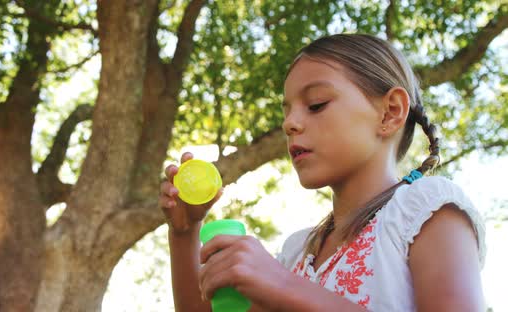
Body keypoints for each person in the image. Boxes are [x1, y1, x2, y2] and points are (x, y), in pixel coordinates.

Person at [159, 34, 486, 311]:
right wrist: (185, 234)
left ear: (390, 112)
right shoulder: (297, 253)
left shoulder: (424, 212)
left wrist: (282, 284)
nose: (290, 124)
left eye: (315, 104)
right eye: (286, 111)